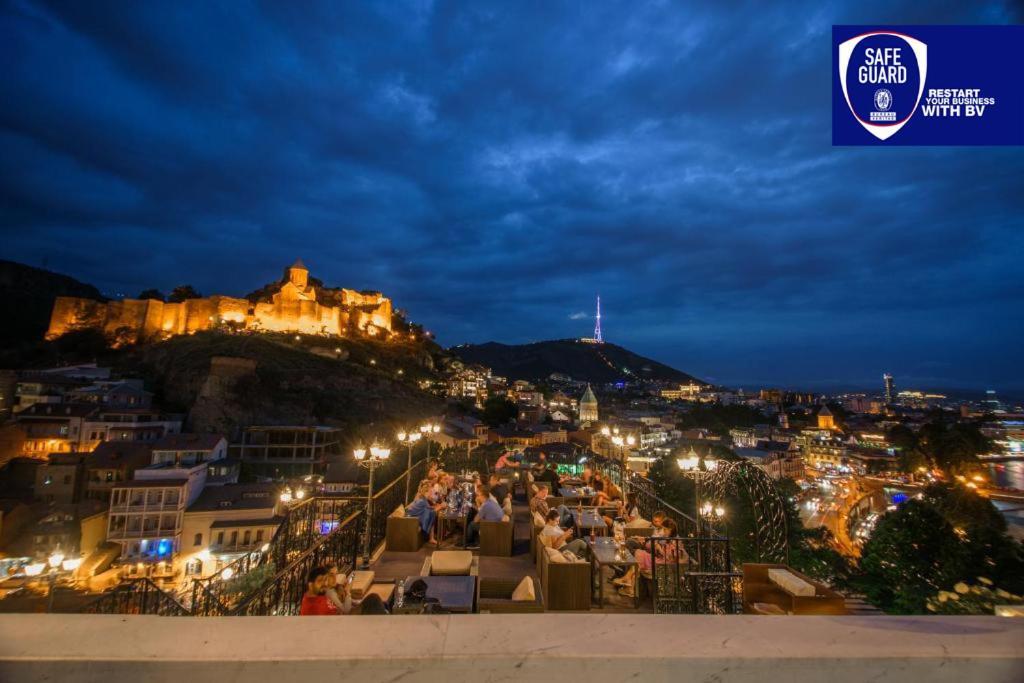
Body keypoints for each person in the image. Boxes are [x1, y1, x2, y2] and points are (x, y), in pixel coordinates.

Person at [616, 518, 687, 597]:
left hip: (664, 564)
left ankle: (628, 583)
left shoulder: (675, 542)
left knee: (640, 556)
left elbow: (669, 558)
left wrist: (659, 548)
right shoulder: (667, 538)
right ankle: (629, 585)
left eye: (665, 529)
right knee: (640, 555)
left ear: (670, 529)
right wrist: (653, 544)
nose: (663, 531)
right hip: (659, 558)